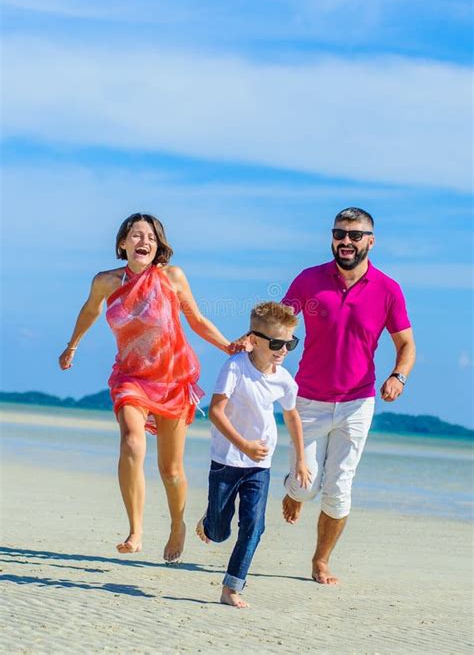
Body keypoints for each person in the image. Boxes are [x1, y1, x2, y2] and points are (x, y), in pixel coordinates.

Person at [59, 212, 239, 562]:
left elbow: (197, 320)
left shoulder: (172, 277)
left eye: (151, 237)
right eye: (136, 235)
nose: (143, 241)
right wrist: (72, 345)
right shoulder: (106, 282)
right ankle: (136, 530)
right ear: (123, 243)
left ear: (158, 246)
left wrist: (229, 346)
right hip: (131, 377)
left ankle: (177, 524)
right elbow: (89, 311)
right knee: (131, 439)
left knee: (171, 471)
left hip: (172, 379)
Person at [282, 207, 416, 585]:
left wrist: (398, 376)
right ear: (332, 238)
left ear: (370, 242)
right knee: (305, 487)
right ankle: (294, 489)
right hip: (308, 399)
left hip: (358, 402)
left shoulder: (388, 289)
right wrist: (264, 344)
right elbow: (283, 323)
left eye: (355, 235)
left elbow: (406, 344)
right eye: (340, 233)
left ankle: (320, 561)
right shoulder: (309, 280)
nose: (346, 241)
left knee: (339, 488)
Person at [195, 301, 310, 608]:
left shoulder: (284, 379)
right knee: (218, 533)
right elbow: (216, 411)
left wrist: (300, 459)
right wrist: (243, 444)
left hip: (260, 464)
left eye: (290, 343)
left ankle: (232, 587)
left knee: (255, 526)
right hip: (226, 460)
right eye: (276, 343)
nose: (283, 350)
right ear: (254, 339)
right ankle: (209, 521)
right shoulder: (235, 366)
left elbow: (292, 416)